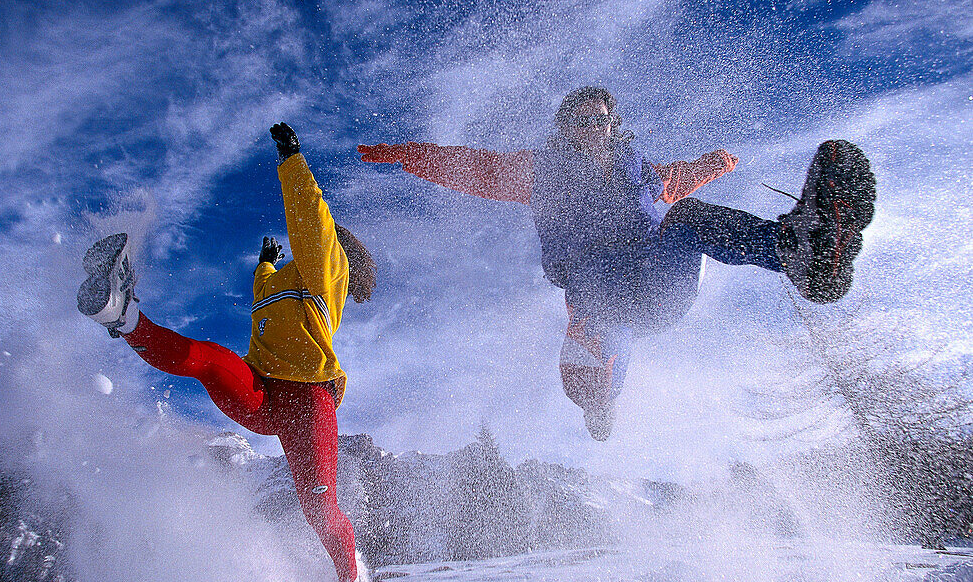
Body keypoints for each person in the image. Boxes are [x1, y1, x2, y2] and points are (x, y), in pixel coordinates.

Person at [359, 86, 875, 441]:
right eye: (582, 122)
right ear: (566, 129)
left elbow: (675, 183)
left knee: (688, 215)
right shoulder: (540, 172)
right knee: (594, 332)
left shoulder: (636, 170)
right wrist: (407, 154)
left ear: (613, 127)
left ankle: (799, 249)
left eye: (603, 122)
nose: (594, 131)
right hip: (601, 294)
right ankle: (600, 400)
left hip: (659, 282)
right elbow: (475, 168)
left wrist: (710, 166)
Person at [78, 123, 380, 582]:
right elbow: (266, 289)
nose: (308, 244)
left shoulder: (330, 271)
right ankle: (122, 314)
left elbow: (312, 219)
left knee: (320, 508)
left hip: (309, 403)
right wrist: (263, 266)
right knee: (209, 359)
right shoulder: (282, 279)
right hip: (262, 395)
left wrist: (291, 160)